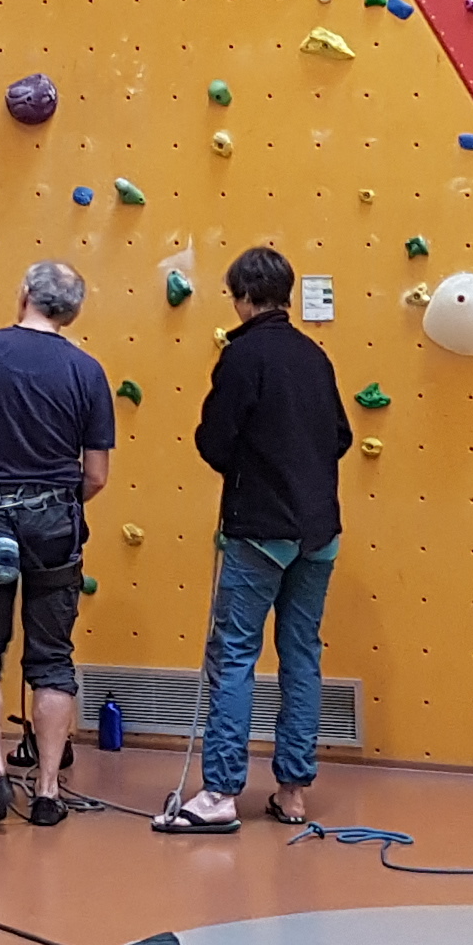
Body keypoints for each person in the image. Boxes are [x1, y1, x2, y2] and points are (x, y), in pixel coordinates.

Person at [153, 247, 352, 834]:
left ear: (241, 297)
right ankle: (292, 792)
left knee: (236, 656)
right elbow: (339, 436)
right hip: (321, 532)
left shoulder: (241, 355)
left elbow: (215, 440)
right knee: (301, 655)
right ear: (286, 295)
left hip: (259, 530)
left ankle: (218, 794)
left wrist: (252, 467)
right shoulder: (315, 357)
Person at [0, 260, 117, 828]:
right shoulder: (87, 371)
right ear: (73, 312)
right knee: (52, 656)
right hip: (55, 523)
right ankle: (49, 791)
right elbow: (97, 475)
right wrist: (58, 504)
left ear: (26, 293)